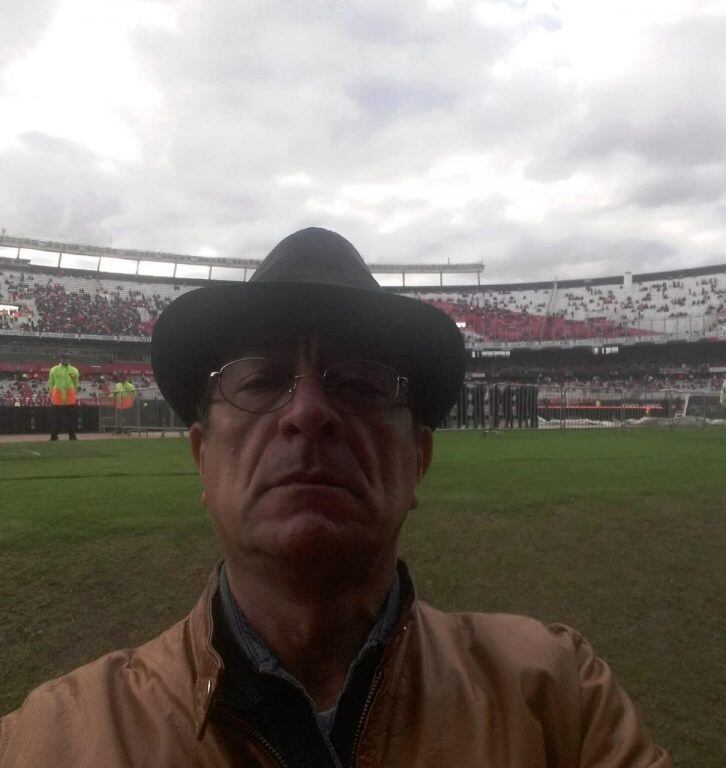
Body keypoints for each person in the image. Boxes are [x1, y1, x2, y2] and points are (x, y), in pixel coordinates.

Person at [0, 228, 670, 767]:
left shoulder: (560, 701)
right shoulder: (48, 744)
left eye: (363, 383)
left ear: (417, 461)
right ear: (203, 459)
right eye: (261, 380)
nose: (310, 413)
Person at [47, 353, 79, 440]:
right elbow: (51, 383)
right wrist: (52, 393)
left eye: (66, 358)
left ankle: (72, 436)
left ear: (69, 359)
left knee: (71, 419)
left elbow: (76, 383)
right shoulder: (54, 370)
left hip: (70, 398)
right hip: (57, 398)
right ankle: (54, 436)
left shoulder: (74, 371)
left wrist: (74, 392)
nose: (65, 360)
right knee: (56, 419)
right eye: (63, 358)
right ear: (60, 359)